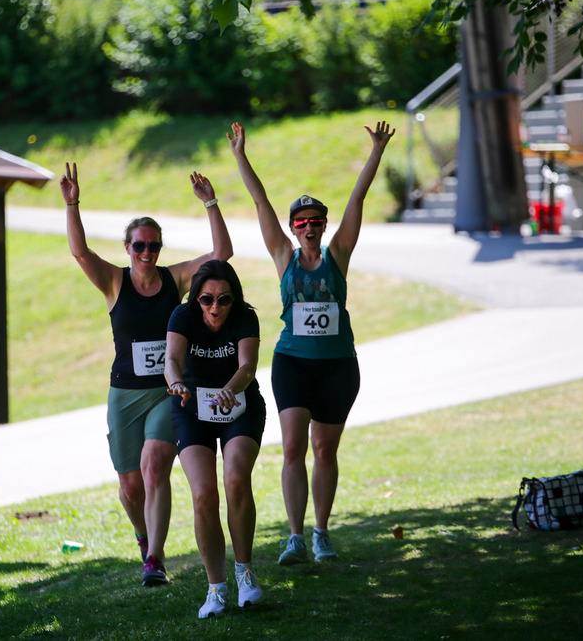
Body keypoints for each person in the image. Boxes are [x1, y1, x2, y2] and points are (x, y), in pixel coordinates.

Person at [227, 119, 395, 565]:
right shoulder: (284, 257)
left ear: (323, 225)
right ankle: (295, 537)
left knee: (325, 449)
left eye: (315, 221)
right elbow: (259, 200)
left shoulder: (338, 253)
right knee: (294, 447)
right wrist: (240, 155)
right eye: (300, 222)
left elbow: (357, 199)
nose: (308, 227)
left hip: (338, 365)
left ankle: (321, 533)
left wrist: (376, 150)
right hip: (293, 363)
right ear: (292, 227)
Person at [60, 163, 232, 586]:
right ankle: (142, 536)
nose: (146, 254)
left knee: (155, 465)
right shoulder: (114, 282)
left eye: (153, 246)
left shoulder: (176, 279)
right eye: (139, 246)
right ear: (127, 247)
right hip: (125, 394)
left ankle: (154, 559)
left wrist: (210, 202)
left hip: (168, 390)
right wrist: (72, 204)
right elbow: (80, 252)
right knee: (131, 486)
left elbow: (221, 254)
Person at [164, 259, 267, 618]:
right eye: (207, 300)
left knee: (236, 479)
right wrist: (175, 381)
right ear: (196, 298)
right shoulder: (183, 316)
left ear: (234, 298)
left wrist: (228, 390)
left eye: (224, 300)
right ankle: (216, 588)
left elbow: (248, 367)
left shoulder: (245, 317)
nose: (215, 308)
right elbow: (171, 360)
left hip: (238, 406)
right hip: (191, 407)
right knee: (204, 494)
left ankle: (245, 572)